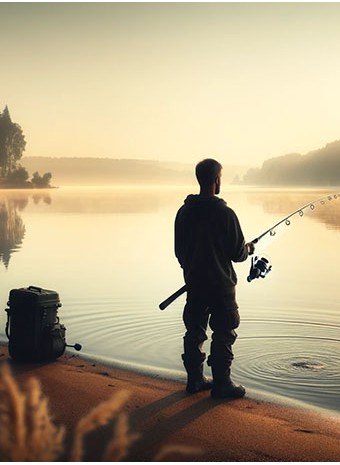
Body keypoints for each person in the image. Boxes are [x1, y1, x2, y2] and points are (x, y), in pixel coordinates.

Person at [174, 158, 255, 398]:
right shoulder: (225, 214)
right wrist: (249, 248)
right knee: (224, 333)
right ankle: (222, 384)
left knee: (195, 332)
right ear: (217, 179)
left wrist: (191, 270)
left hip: (194, 285)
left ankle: (195, 380)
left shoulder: (184, 212)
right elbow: (239, 254)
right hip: (221, 287)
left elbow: (179, 251)